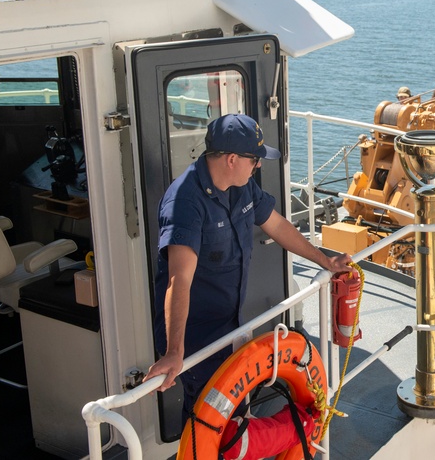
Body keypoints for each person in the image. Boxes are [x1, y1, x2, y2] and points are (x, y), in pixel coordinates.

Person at [144, 114, 354, 421]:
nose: (258, 165)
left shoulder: (242, 187)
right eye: (254, 159)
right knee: (207, 420)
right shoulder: (185, 202)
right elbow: (180, 281)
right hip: (198, 338)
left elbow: (277, 225)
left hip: (233, 325)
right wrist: (175, 351)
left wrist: (326, 261)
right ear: (231, 159)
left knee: (234, 415)